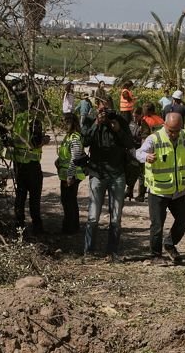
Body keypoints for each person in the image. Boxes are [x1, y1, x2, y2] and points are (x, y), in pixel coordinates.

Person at [136, 111, 185, 265]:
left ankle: (169, 243)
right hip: (158, 190)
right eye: (171, 131)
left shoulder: (184, 138)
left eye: (177, 131)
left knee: (184, 218)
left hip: (178, 190)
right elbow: (138, 153)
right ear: (164, 125)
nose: (174, 134)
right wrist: (146, 157)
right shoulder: (154, 139)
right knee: (157, 224)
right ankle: (155, 255)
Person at [81, 107, 134, 260]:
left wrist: (118, 130)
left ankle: (112, 252)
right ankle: (89, 251)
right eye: (101, 110)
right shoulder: (92, 120)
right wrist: (96, 123)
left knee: (116, 218)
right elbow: (84, 141)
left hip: (117, 173)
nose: (104, 113)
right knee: (93, 216)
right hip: (97, 174)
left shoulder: (119, 121)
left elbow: (130, 143)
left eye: (106, 109)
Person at [9, 97, 48, 234]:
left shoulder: (18, 118)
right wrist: (44, 140)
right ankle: (37, 227)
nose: (44, 112)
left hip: (18, 163)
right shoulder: (34, 121)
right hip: (31, 164)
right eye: (43, 109)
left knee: (20, 195)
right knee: (34, 197)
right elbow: (35, 143)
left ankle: (19, 225)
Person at [56, 113, 86, 233]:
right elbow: (65, 154)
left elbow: (75, 158)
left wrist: (70, 176)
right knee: (67, 201)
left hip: (72, 175)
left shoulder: (74, 138)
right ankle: (69, 226)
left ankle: (71, 227)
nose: (63, 125)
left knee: (69, 202)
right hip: (65, 174)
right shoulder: (68, 137)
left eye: (66, 122)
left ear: (72, 123)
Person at [126, 111, 152, 202]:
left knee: (141, 174)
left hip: (141, 151)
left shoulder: (144, 124)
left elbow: (145, 138)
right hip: (132, 150)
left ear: (141, 115)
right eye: (133, 116)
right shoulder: (132, 123)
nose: (135, 118)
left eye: (136, 116)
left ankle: (141, 194)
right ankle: (129, 191)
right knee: (131, 171)